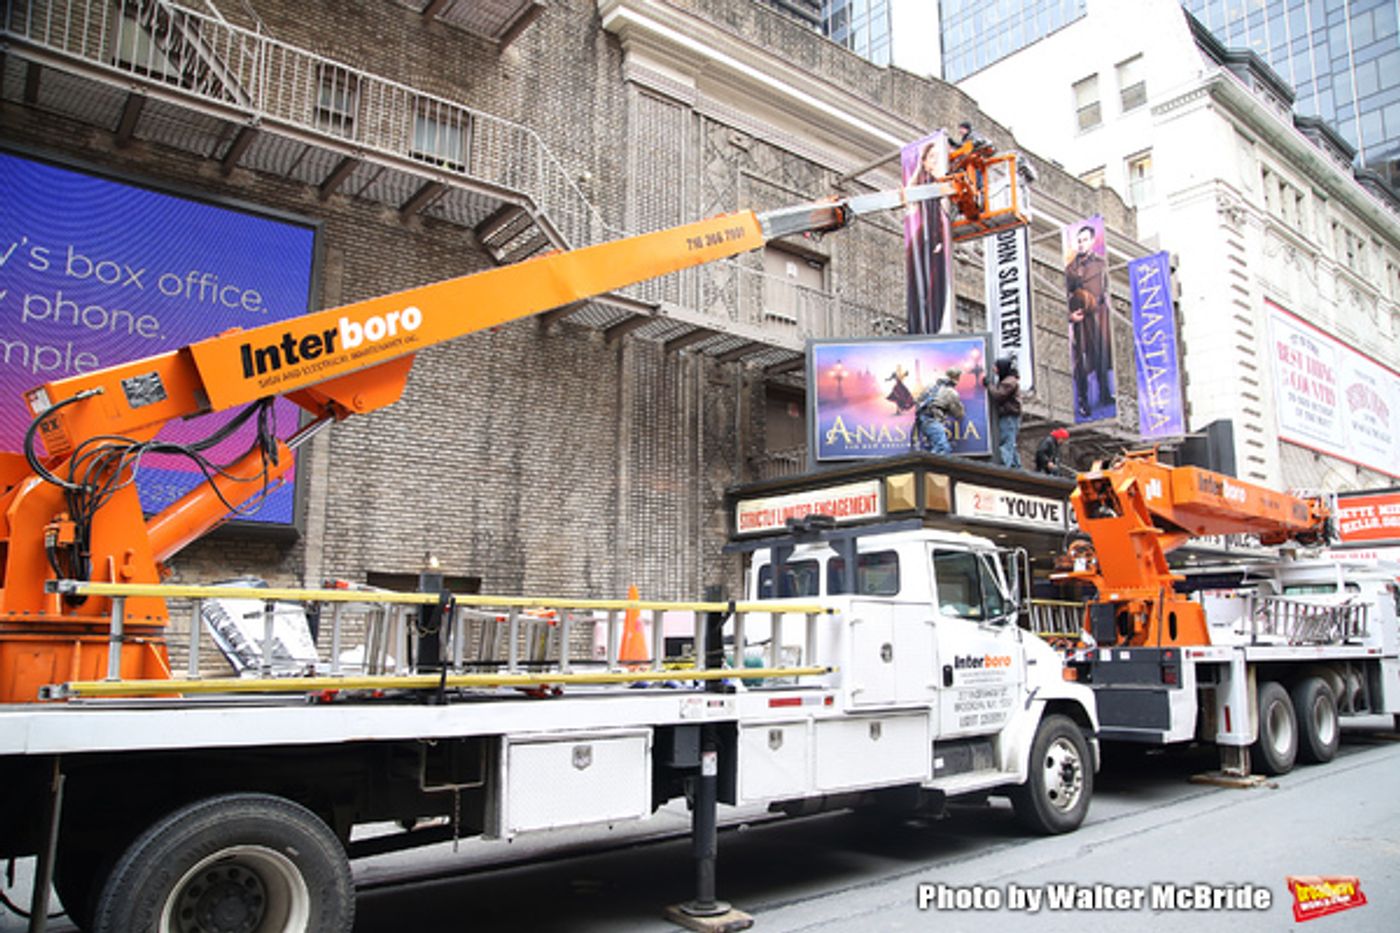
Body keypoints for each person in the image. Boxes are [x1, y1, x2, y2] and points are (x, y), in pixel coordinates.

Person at [1064, 224, 1112, 419]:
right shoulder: (1070, 269)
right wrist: (1069, 316)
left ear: (1092, 241)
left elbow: (1106, 289)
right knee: (1080, 361)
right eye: (1079, 240)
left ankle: (1105, 393)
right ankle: (1083, 399)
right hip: (1080, 318)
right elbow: (1064, 295)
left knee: (1100, 353)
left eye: (1085, 240)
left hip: (1098, 316)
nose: (1082, 244)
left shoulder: (1101, 264)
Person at [905, 139, 950, 334]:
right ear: (923, 161)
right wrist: (938, 239)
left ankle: (926, 327)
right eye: (931, 157)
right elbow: (932, 213)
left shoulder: (930, 180)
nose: (935, 162)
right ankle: (927, 327)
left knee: (930, 284)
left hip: (930, 236)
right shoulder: (928, 182)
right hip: (930, 236)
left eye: (937, 158)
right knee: (931, 283)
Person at [914, 367, 965, 455]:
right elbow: (959, 414)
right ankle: (931, 468)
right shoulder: (951, 392)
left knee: (936, 448)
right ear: (956, 378)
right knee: (943, 449)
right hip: (932, 420)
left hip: (922, 421)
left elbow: (918, 401)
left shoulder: (930, 386)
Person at [985, 355, 1022, 469]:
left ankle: (1006, 468)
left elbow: (999, 395)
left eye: (996, 367)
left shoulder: (1009, 382)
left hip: (1009, 416)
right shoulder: (1008, 380)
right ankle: (1016, 468)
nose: (994, 370)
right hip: (1010, 416)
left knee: (1007, 442)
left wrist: (989, 385)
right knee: (1011, 443)